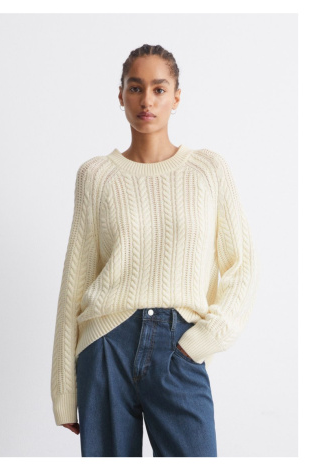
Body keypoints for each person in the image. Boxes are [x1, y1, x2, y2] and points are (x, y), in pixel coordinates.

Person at [50, 44, 260, 457]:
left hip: (179, 344)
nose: (147, 100)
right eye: (136, 88)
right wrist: (64, 389)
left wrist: (204, 339)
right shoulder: (96, 176)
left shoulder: (208, 169)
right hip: (105, 345)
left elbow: (243, 265)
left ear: (176, 97)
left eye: (159, 89)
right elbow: (74, 282)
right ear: (121, 95)